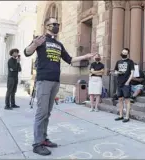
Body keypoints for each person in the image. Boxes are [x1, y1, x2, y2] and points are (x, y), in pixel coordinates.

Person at [24, 17, 95, 156]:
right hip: (44, 80)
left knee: (47, 113)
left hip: (55, 81)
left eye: (58, 24)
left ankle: (43, 139)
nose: (56, 26)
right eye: (53, 24)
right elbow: (27, 52)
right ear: (46, 26)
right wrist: (34, 44)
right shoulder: (41, 39)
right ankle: (37, 144)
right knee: (41, 112)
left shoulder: (59, 44)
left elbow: (69, 59)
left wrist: (85, 56)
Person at [113, 48, 134, 123]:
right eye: (123, 52)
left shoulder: (130, 62)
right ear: (121, 53)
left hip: (126, 83)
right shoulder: (118, 62)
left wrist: (128, 82)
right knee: (120, 100)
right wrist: (118, 72)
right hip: (119, 83)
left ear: (127, 54)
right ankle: (120, 115)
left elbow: (132, 73)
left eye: (125, 53)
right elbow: (115, 71)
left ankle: (127, 116)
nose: (124, 54)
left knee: (127, 100)